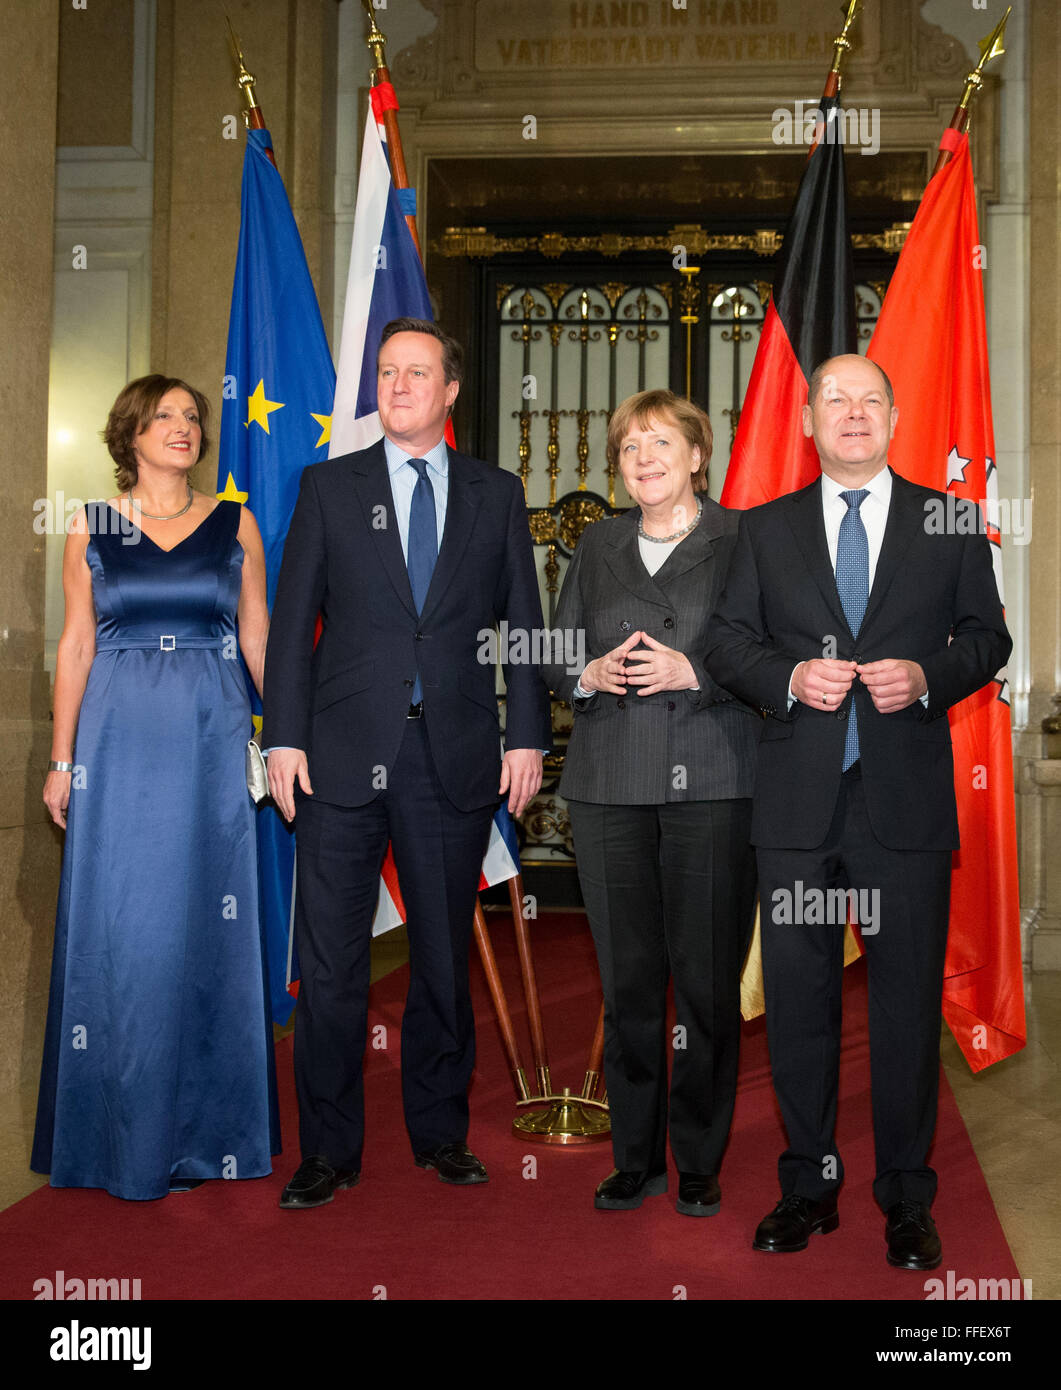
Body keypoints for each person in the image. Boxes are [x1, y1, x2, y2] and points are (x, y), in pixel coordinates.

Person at [705, 354, 1011, 1268]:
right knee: (798, 1007)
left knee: (905, 1009)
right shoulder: (760, 531)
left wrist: (927, 677)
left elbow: (986, 636)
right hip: (796, 808)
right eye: (832, 399)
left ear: (892, 415)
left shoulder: (948, 520)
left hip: (902, 810)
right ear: (806, 421)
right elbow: (725, 643)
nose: (850, 413)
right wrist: (789, 676)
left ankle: (906, 1199)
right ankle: (807, 1187)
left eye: (867, 399)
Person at [264, 317, 551, 1209]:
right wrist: (282, 735)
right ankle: (329, 1150)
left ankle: (439, 1132)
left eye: (416, 372)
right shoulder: (328, 488)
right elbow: (291, 629)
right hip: (340, 764)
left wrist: (527, 735)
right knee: (334, 964)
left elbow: (524, 630)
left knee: (440, 959)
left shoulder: (495, 495)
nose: (397, 386)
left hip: (453, 758)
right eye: (387, 372)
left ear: (450, 390)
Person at [33, 374, 280, 1200]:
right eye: (163, 416)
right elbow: (75, 647)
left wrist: (283, 739)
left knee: (206, 923)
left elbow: (257, 641)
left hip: (210, 738)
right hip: (117, 740)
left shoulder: (234, 521)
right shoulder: (89, 525)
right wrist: (63, 760)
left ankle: (211, 1136)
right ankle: (118, 1135)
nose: (182, 427)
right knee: (127, 930)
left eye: (192, 417)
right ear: (129, 434)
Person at [545, 389, 758, 1217]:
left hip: (711, 778)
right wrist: (584, 674)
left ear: (697, 456)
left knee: (704, 983)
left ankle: (698, 1157)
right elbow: (555, 648)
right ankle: (635, 1156)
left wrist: (695, 671)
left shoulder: (743, 538)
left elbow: (767, 652)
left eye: (661, 442)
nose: (644, 458)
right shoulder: (596, 543)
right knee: (628, 981)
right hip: (609, 784)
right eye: (629, 446)